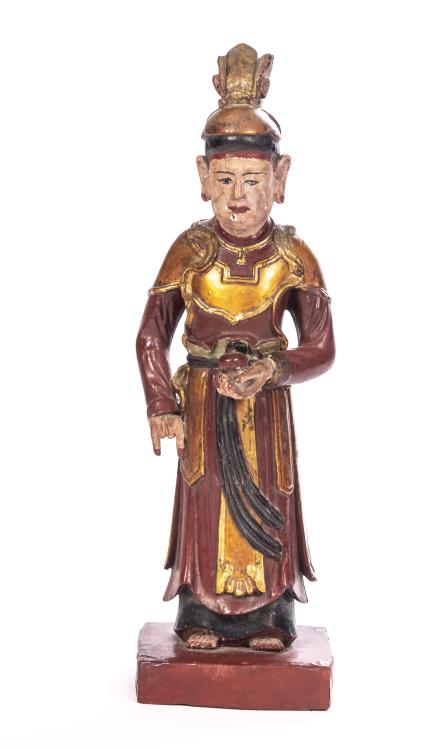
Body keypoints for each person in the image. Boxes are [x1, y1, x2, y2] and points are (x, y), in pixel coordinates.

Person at [136, 43, 335, 651]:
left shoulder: (293, 257)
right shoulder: (190, 251)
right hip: (201, 401)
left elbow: (322, 347)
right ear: (203, 178)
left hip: (265, 406)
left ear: (281, 177)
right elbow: (151, 333)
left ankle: (271, 614)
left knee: (270, 496)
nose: (239, 197)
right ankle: (200, 609)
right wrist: (161, 403)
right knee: (205, 498)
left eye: (253, 180)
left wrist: (272, 369)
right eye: (225, 180)